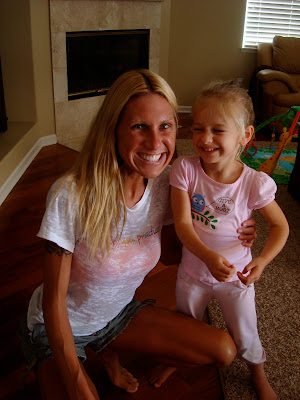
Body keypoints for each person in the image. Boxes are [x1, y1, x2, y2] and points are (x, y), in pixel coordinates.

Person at [19, 70, 257, 400]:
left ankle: (109, 351)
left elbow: (177, 252)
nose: (156, 143)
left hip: (118, 315)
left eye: (165, 126)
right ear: (113, 128)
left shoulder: (170, 184)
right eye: (139, 127)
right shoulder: (71, 194)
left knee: (223, 350)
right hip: (60, 325)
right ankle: (91, 358)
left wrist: (234, 229)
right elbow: (53, 301)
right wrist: (76, 382)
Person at [151, 81, 289, 400]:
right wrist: (208, 258)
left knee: (245, 332)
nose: (206, 139)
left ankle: (258, 373)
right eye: (198, 129)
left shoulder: (254, 183)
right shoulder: (185, 169)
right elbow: (183, 224)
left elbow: (281, 227)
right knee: (186, 325)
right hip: (193, 273)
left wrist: (262, 261)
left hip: (237, 278)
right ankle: (176, 361)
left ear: (245, 135)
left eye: (218, 130)